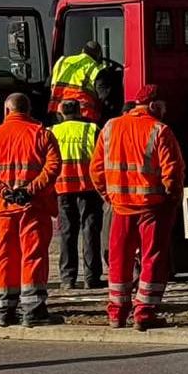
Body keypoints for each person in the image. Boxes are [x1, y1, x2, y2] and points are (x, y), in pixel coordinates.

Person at [90, 85, 183, 331]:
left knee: (119, 259)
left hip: (120, 207)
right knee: (152, 258)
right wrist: (173, 197)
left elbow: (96, 170)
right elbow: (171, 172)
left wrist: (108, 195)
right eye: (162, 106)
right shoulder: (160, 130)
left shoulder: (110, 127)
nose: (164, 110)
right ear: (152, 105)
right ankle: (144, 312)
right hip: (151, 208)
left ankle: (116, 314)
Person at [0, 93, 61, 327]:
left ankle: (4, 310)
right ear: (29, 109)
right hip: (33, 206)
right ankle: (33, 310)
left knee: (5, 256)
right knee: (32, 255)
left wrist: (3, 191)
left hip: (3, 208)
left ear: (6, 110)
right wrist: (29, 190)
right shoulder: (42, 135)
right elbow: (53, 168)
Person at [51, 99, 104, 290]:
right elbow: (100, 158)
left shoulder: (52, 132)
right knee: (90, 231)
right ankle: (92, 277)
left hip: (62, 188)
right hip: (88, 188)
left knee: (67, 233)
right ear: (80, 111)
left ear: (61, 113)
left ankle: (68, 278)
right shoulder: (92, 129)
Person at [48, 40, 105, 122]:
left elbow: (49, 83)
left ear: (82, 51)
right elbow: (104, 97)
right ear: (99, 56)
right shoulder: (95, 68)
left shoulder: (61, 61)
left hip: (56, 113)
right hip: (82, 116)